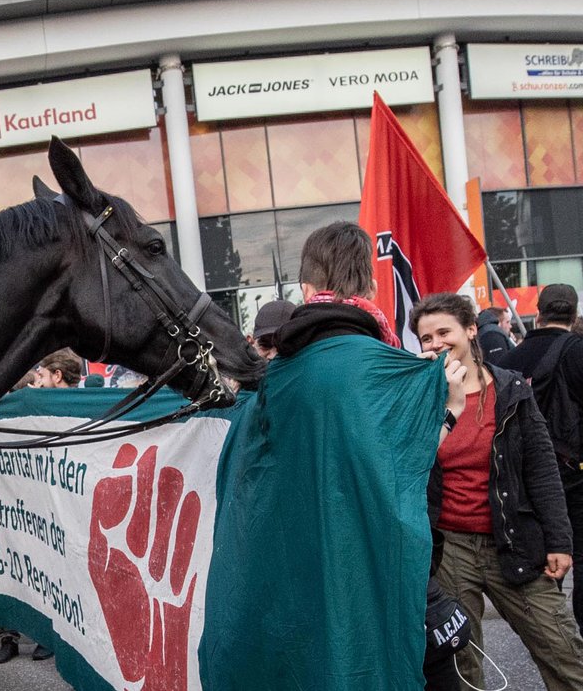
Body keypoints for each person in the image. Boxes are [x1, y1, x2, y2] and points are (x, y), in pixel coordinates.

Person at [200, 222, 466, 690]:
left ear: (306, 290)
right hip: (368, 580)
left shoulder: (270, 382)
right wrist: (447, 412)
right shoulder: (388, 370)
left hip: (291, 590)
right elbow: (403, 482)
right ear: (372, 287)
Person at [414, 292, 583, 690]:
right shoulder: (418, 399)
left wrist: (560, 540)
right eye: (425, 338)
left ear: (471, 330)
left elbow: (540, 468)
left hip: (511, 536)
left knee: (562, 649)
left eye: (443, 332)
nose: (435, 343)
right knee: (461, 663)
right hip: (448, 546)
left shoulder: (510, 389)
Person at [496, 284, 583, 636]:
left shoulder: (509, 359)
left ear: (540, 312)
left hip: (526, 477)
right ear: (573, 314)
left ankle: (552, 630)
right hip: (574, 472)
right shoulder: (578, 351)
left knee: (544, 553)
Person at [0, 350, 81, 664]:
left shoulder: (85, 406)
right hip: (26, 501)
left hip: (63, 506)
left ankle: (50, 635)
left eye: (42, 374)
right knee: (14, 561)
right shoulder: (29, 403)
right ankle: (9, 636)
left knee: (54, 570)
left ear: (57, 375)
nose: (37, 381)